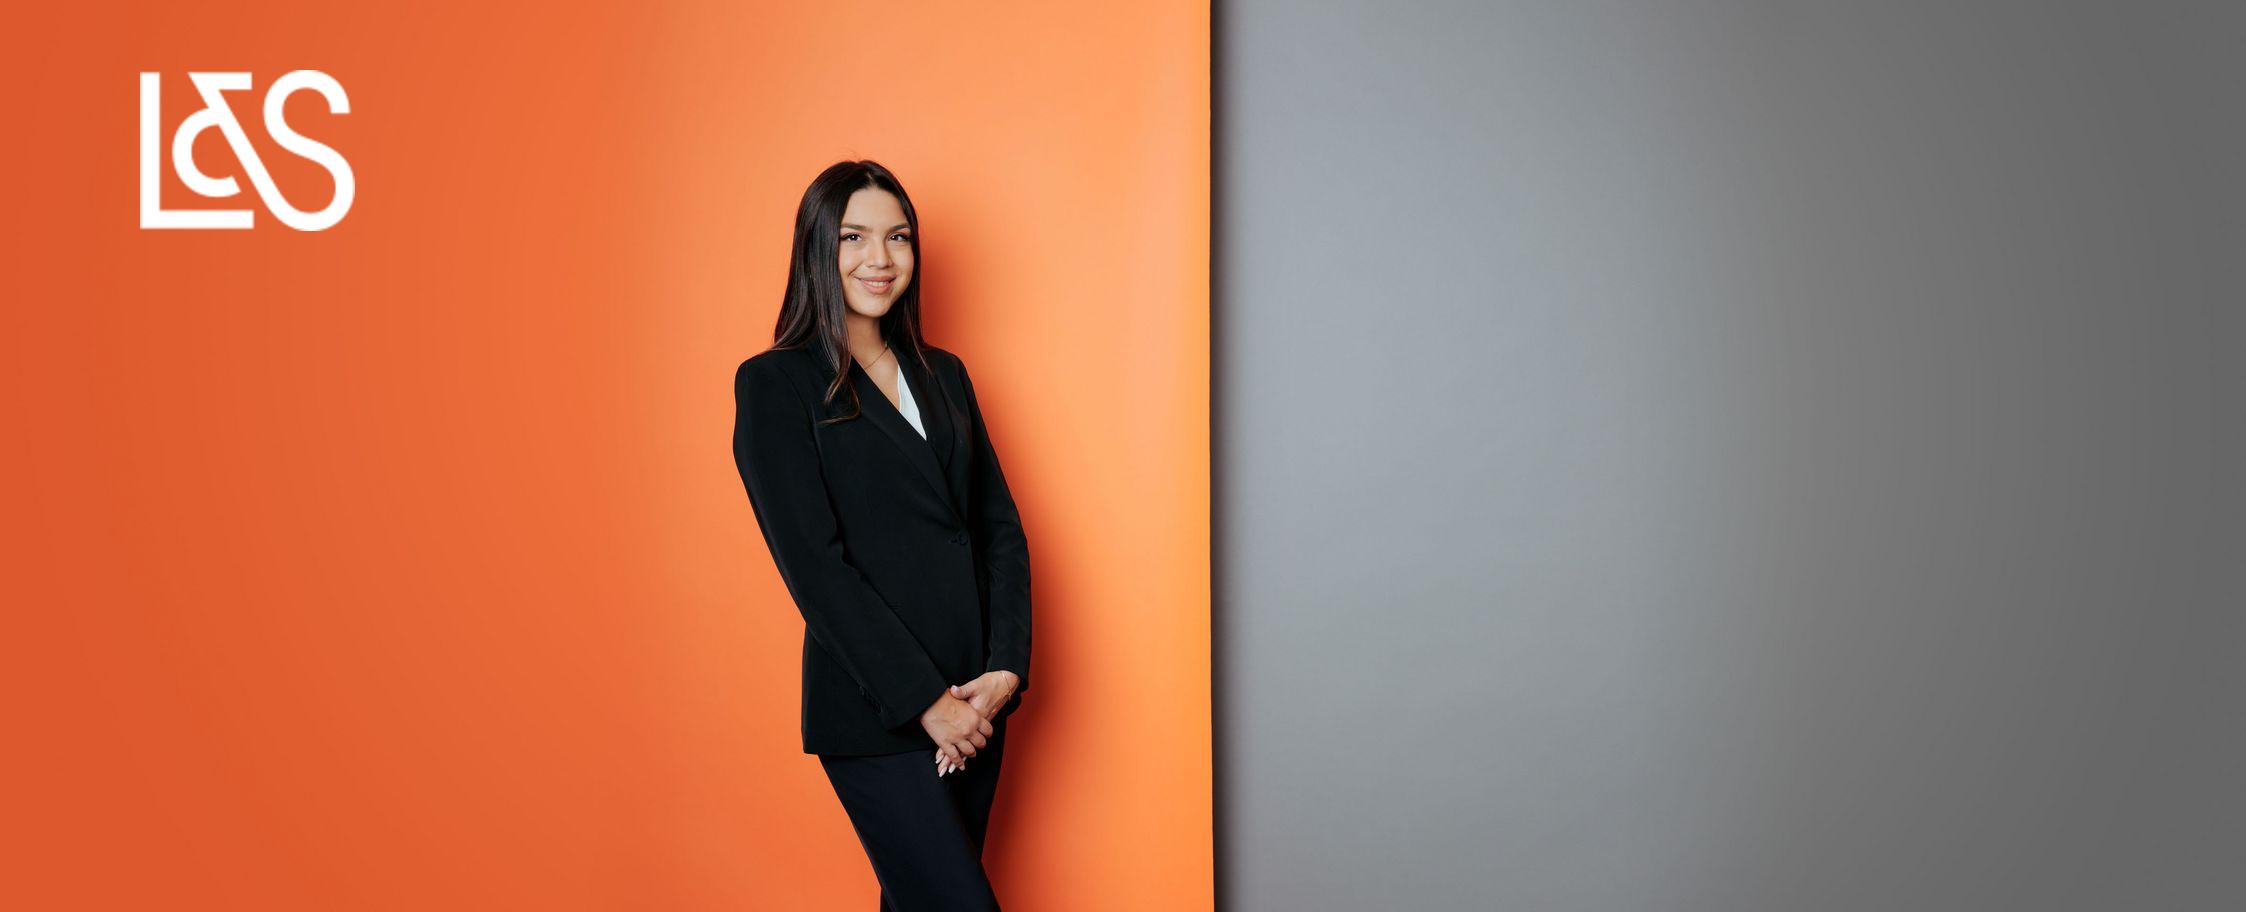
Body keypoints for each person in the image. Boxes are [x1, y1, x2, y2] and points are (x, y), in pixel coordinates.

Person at [731, 159, 1032, 911]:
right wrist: (925, 700)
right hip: (880, 709)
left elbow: (997, 528)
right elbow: (815, 568)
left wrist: (1004, 668)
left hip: (975, 704)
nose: (881, 258)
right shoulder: (776, 383)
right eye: (854, 237)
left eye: (899, 237)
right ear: (817, 248)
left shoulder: (945, 375)